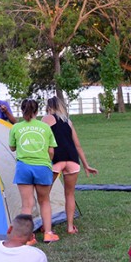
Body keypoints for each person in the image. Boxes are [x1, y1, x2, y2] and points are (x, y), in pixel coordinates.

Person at [41, 96, 99, 235]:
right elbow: (77, 145)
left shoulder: (46, 119)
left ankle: (45, 226)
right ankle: (70, 227)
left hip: (56, 159)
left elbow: (41, 139)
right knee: (70, 194)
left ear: (48, 106)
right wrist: (86, 165)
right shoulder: (68, 121)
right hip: (72, 160)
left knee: (44, 196)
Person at [9, 99, 58, 244]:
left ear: (22, 110)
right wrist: (47, 162)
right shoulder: (45, 127)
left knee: (27, 204)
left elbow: (12, 147)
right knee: (44, 201)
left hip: (24, 168)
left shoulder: (16, 128)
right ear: (37, 111)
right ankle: (48, 233)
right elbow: (51, 150)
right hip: (42, 167)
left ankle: (28, 237)